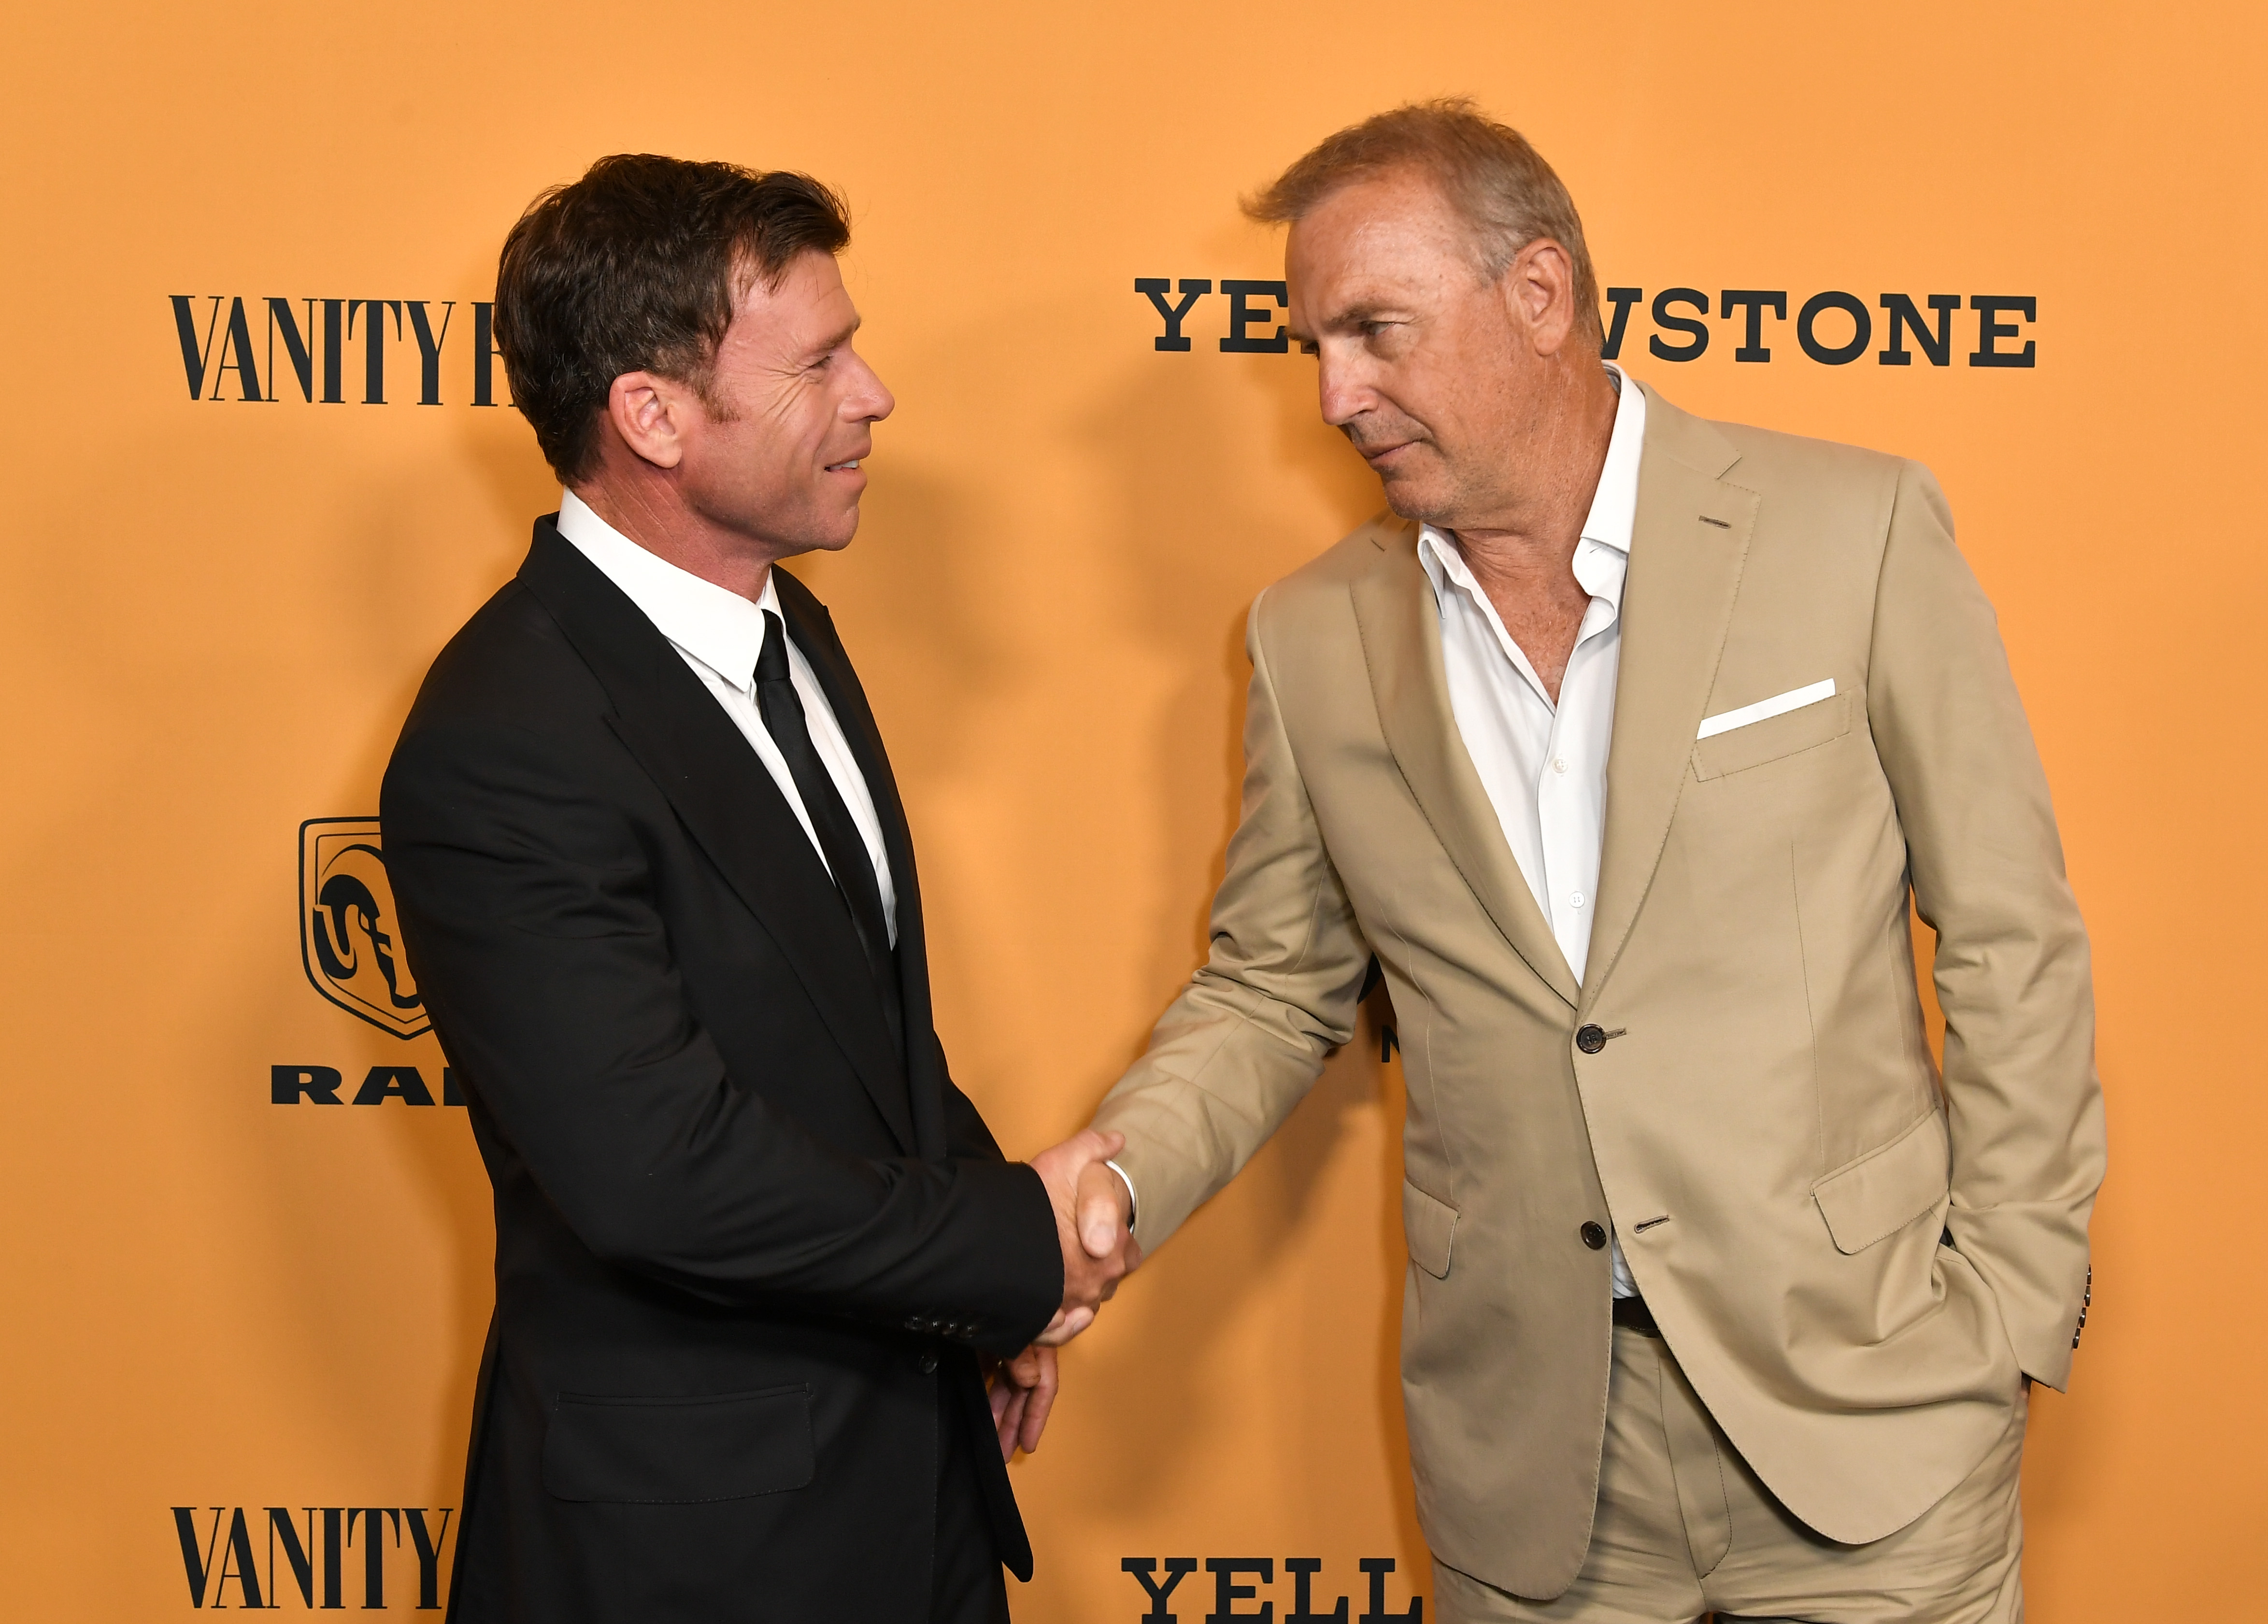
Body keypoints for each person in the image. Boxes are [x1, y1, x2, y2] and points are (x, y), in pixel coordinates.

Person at [1077, 102, 2104, 1623]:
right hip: (1535, 1448)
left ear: (1539, 295)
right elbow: (1275, 987)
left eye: (1373, 331)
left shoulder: (1852, 531)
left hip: (1864, 1409)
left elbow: (2011, 936)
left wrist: (2007, 1311)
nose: (1331, 393)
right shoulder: (1307, 637)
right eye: (1312, 344)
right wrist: (1106, 1184)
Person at [381, 154, 1135, 1624]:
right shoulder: (504, 738)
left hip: (911, 1490)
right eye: (820, 362)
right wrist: (1004, 1247)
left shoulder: (795, 631)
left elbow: (847, 1034)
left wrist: (980, 1281)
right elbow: (660, 1172)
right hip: (693, 1552)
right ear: (652, 418)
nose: (875, 395)